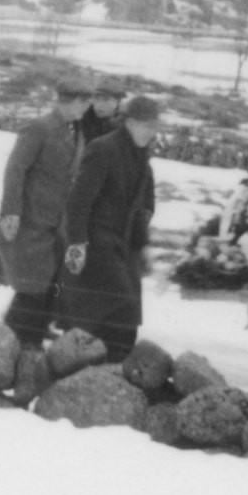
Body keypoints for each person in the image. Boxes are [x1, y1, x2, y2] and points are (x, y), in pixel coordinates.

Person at [59, 95, 162, 357]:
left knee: (126, 322)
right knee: (114, 309)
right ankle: (75, 371)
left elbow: (143, 206)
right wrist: (77, 244)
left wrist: (144, 245)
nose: (151, 132)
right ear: (129, 123)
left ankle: (110, 377)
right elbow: (78, 202)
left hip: (126, 247)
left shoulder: (142, 158)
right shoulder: (103, 149)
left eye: (154, 127)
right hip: (97, 244)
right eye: (146, 125)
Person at [0, 79, 91, 346]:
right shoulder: (38, 128)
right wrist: (11, 212)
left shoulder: (75, 131)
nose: (86, 108)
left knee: (49, 284)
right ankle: (10, 342)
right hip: (32, 221)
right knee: (32, 287)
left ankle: (31, 337)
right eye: (83, 103)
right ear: (70, 101)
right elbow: (15, 169)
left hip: (56, 224)